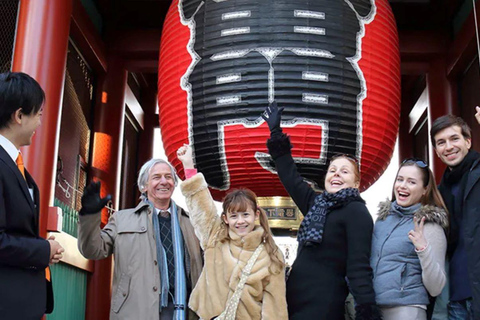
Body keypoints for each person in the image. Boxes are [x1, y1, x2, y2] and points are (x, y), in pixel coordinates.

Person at [262, 102, 380, 320]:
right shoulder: (317, 204)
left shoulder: (357, 212)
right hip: (294, 297)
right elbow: (291, 177)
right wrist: (276, 132)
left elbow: (359, 266)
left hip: (325, 302)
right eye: (332, 170)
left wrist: (367, 310)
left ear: (355, 183)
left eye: (344, 172)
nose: (336, 174)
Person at [77, 159, 203, 320]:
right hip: (136, 310)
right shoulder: (122, 219)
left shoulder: (191, 223)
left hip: (185, 312)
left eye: (168, 177)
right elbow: (92, 250)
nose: (164, 181)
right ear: (143, 186)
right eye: (156, 177)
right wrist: (89, 215)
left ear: (174, 183)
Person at [176, 144, 288, 320]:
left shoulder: (271, 254)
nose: (240, 221)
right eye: (234, 215)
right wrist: (188, 166)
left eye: (245, 214)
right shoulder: (215, 237)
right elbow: (202, 206)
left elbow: (275, 306)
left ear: (256, 215)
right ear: (226, 218)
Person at [0, 71, 64, 319]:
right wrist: (43, 250)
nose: (39, 122)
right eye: (38, 114)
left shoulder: (14, 163)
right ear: (18, 116)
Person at [371, 158, 448, 320]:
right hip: (374, 309)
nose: (402, 186)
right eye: (400, 179)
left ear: (424, 190)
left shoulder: (429, 225)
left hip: (406, 309)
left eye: (411, 182)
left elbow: (436, 287)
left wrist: (423, 249)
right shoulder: (383, 219)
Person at [430, 110, 480, 320]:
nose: (448, 147)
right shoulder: (439, 192)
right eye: (441, 142)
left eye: (454, 138)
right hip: (454, 298)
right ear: (437, 151)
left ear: (468, 142)